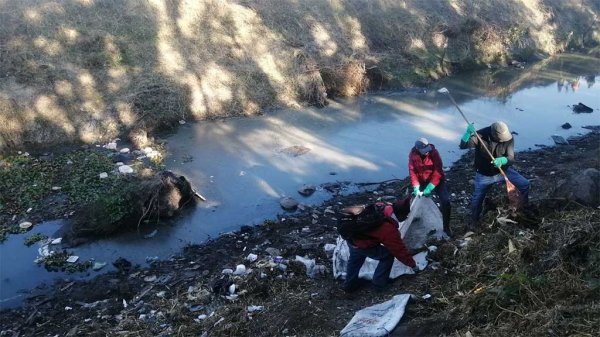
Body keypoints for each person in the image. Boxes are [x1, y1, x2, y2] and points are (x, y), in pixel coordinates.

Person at [459, 121, 530, 230]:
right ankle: (474, 221)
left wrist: (504, 160)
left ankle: (522, 208)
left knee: (525, 184)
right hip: (484, 175)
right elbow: (463, 146)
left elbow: (511, 158)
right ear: (493, 134)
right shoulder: (480, 135)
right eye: (501, 138)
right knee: (477, 200)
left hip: (502, 172)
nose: (503, 140)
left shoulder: (509, 138)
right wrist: (467, 134)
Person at [343, 203, 418, 293]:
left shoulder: (380, 207)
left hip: (351, 238)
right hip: (363, 244)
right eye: (405, 216)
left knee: (355, 260)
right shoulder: (387, 228)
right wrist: (412, 265)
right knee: (387, 256)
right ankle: (379, 285)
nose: (405, 218)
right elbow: (399, 250)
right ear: (399, 215)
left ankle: (349, 285)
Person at [409, 137, 452, 236]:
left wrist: (430, 187)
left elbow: (438, 171)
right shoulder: (413, 155)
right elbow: (412, 171)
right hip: (421, 181)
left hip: (436, 180)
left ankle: (446, 226)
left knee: (446, 202)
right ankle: (415, 217)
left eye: (427, 149)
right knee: (413, 200)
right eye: (424, 151)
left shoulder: (434, 153)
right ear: (418, 149)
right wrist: (416, 186)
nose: (426, 152)